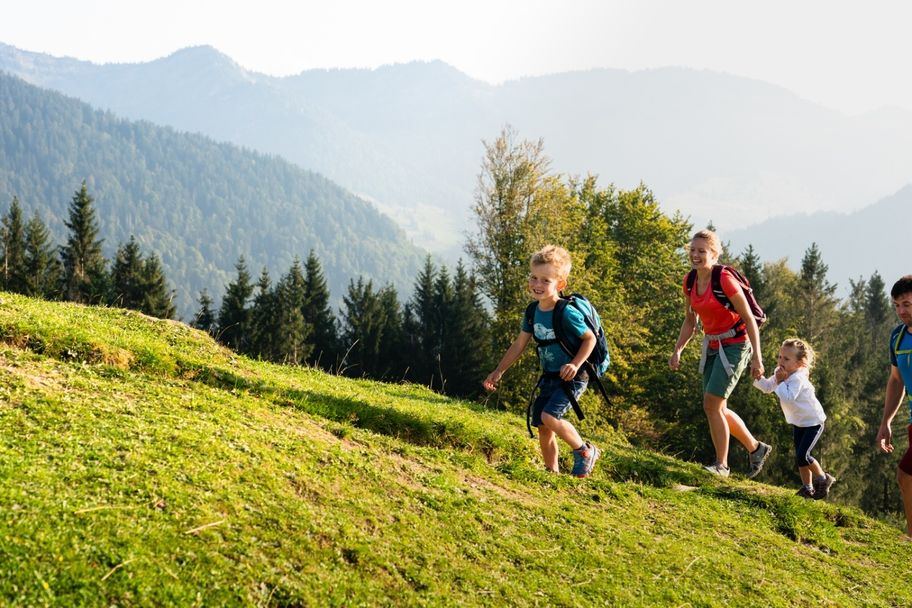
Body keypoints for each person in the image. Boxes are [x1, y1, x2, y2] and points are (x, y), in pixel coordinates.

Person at [483, 245, 600, 477]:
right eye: (534, 277)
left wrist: (575, 364)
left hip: (574, 376)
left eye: (546, 280)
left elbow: (590, 339)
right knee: (543, 427)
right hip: (550, 376)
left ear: (560, 284)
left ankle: (585, 451)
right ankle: (551, 472)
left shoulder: (566, 312)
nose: (537, 284)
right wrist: (499, 370)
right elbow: (519, 344)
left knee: (549, 416)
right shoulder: (532, 312)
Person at [668, 229, 771, 477]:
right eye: (692, 250)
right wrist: (678, 350)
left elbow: (749, 318)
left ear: (714, 254)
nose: (695, 255)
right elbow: (690, 321)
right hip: (712, 344)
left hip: (736, 344)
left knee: (711, 404)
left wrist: (757, 358)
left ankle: (721, 466)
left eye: (701, 251)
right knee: (717, 407)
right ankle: (756, 448)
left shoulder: (724, 279)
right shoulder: (690, 281)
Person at [753, 339, 836, 499]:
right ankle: (807, 488)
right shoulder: (780, 373)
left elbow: (788, 397)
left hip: (813, 422)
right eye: (780, 357)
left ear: (799, 363)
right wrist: (759, 378)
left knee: (804, 454)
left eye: (786, 359)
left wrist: (780, 381)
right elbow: (768, 387)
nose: (781, 361)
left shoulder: (798, 378)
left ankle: (824, 479)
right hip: (799, 422)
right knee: (800, 457)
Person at [876, 275, 912, 538]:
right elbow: (896, 380)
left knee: (906, 475)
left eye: (907, 304)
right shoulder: (897, 337)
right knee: (906, 477)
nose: (901, 311)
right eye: (897, 305)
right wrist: (886, 421)